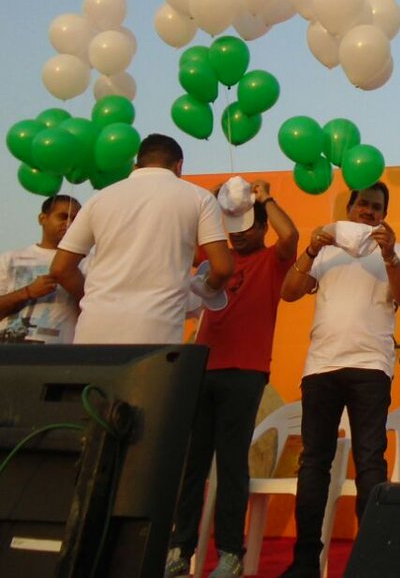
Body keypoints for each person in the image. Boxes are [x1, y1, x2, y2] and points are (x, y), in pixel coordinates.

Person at [278, 182, 400, 578]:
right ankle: (305, 562)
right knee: (313, 463)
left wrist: (390, 255)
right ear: (350, 207)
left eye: (377, 208)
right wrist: (311, 249)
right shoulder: (327, 251)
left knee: (370, 462)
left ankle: (370, 559)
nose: (369, 213)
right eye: (363, 205)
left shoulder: (398, 251)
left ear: (384, 215)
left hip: (371, 368)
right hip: (321, 368)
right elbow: (289, 293)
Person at [165, 178, 299, 578]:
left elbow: (291, 234)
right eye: (233, 232)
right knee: (192, 464)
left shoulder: (272, 261)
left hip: (245, 371)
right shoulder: (214, 258)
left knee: (231, 464)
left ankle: (229, 553)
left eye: (247, 231)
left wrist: (265, 198)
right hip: (201, 367)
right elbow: (181, 248)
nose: (238, 239)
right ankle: (179, 548)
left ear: (261, 228)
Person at [50, 134, 234, 343]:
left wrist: (92, 298)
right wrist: (207, 287)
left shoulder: (100, 198)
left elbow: (60, 268)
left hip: (93, 329)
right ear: (179, 166)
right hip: (156, 331)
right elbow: (223, 268)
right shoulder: (199, 198)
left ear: (137, 166)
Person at [0, 194, 82, 344]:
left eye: (76, 219)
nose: (69, 224)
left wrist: (72, 282)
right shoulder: (9, 259)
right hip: (8, 354)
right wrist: (28, 292)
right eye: (63, 217)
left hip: (58, 357)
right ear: (42, 218)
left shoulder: (87, 262)